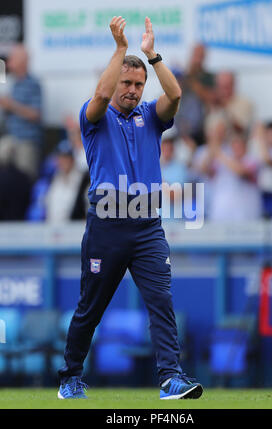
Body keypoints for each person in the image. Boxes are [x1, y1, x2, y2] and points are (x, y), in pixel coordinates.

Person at [57, 16, 203, 400]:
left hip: (147, 225)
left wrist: (153, 56)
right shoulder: (95, 116)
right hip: (106, 224)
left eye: (138, 85)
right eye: (127, 83)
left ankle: (171, 378)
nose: (133, 91)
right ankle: (70, 377)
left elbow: (176, 97)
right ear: (114, 80)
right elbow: (101, 97)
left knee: (161, 301)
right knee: (91, 308)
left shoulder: (150, 116)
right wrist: (121, 49)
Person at [0, 44, 42, 178]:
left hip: (26, 141)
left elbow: (36, 114)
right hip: (10, 138)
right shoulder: (10, 82)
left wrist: (11, 105)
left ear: (22, 61)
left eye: (13, 58)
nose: (9, 61)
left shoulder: (33, 84)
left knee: (25, 178)